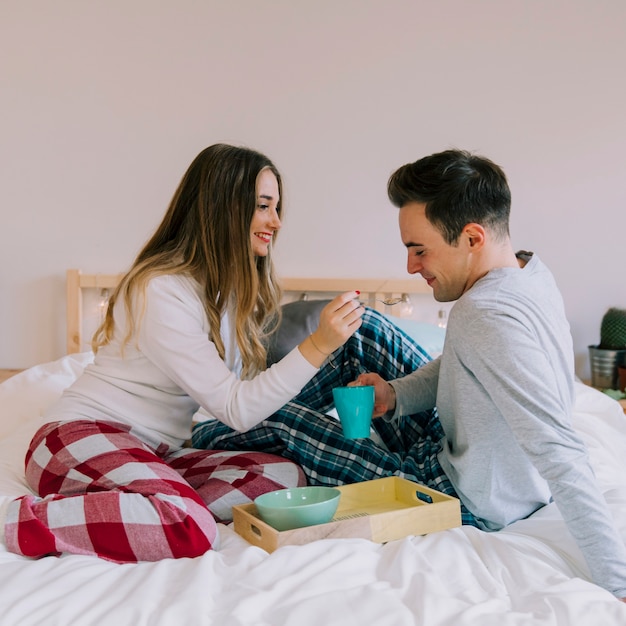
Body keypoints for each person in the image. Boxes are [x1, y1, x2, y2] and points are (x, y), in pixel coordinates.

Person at [192, 149, 626, 600]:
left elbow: (559, 448)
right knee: (365, 327)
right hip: (463, 457)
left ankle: (210, 431)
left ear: (473, 238)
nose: (411, 267)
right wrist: (393, 396)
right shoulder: (527, 273)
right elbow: (465, 363)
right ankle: (313, 411)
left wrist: (617, 584)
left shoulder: (486, 315)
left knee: (282, 419)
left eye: (420, 250)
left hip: (453, 499)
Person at [2, 143, 366, 563]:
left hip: (156, 451)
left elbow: (236, 397)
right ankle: (18, 521)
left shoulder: (223, 296)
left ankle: (156, 500)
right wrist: (318, 345)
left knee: (282, 477)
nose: (276, 221)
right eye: (264, 206)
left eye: (276, 207)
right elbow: (237, 409)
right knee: (188, 525)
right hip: (77, 437)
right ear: (224, 208)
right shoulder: (160, 289)